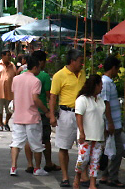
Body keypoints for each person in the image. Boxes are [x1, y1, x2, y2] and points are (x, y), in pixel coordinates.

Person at [49, 49, 87, 188]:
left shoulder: (82, 73)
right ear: (72, 61)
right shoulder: (60, 75)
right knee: (64, 146)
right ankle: (65, 176)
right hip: (67, 114)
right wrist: (52, 115)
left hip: (82, 114)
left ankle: (83, 175)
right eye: (80, 61)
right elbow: (53, 96)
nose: (82, 64)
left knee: (84, 145)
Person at [9, 55, 50, 177]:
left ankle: (13, 167)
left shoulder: (16, 79)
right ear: (36, 67)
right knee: (36, 144)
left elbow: (14, 96)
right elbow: (35, 99)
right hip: (32, 117)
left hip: (18, 116)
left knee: (16, 143)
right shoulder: (36, 81)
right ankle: (37, 168)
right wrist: (45, 110)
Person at [24, 50, 60, 173]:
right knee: (45, 139)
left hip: (27, 111)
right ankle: (48, 163)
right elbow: (49, 96)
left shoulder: (24, 73)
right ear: (40, 62)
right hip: (41, 111)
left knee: (29, 138)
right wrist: (50, 112)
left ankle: (30, 164)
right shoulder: (44, 76)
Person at [73, 74, 106, 189]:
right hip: (86, 136)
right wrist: (81, 132)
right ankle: (77, 178)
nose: (102, 87)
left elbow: (103, 118)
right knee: (83, 159)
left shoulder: (101, 101)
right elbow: (79, 115)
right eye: (100, 85)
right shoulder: (82, 99)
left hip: (98, 136)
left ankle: (92, 184)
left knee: (95, 161)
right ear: (95, 85)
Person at [99, 56, 125, 187]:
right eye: (118, 68)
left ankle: (105, 175)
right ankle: (112, 177)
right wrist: (110, 122)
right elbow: (106, 103)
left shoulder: (107, 81)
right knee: (117, 150)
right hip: (112, 122)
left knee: (110, 149)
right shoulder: (106, 82)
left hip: (113, 122)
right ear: (113, 68)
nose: (118, 71)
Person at [0, 49, 16, 132]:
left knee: (10, 110)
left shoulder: (12, 66)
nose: (9, 57)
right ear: (2, 56)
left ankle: (6, 122)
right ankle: (0, 124)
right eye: (7, 55)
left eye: (10, 55)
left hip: (10, 91)